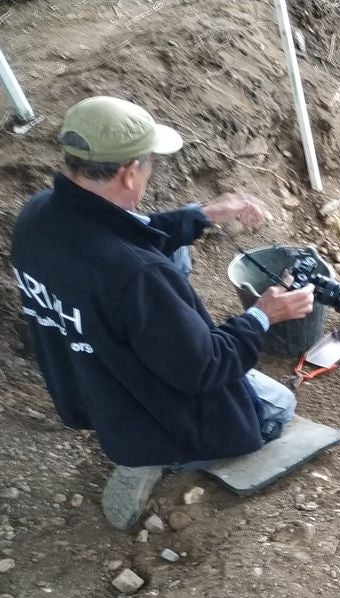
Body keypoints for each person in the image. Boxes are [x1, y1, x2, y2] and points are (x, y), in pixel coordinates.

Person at [10, 96, 316, 530]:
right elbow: (205, 367)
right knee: (279, 405)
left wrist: (200, 216)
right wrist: (263, 315)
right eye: (149, 164)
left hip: (88, 386)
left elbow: (122, 233)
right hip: (145, 409)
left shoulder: (38, 215)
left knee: (178, 259)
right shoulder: (137, 276)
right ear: (130, 171)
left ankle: (140, 448)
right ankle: (159, 456)